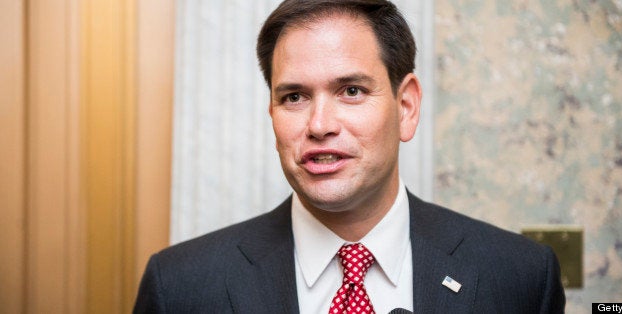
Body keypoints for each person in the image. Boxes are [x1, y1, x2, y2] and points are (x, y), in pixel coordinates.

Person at [134, 0, 566, 313]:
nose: (320, 124)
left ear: (406, 107)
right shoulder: (180, 287)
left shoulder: (521, 277)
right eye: (294, 96)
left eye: (351, 91)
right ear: (272, 112)